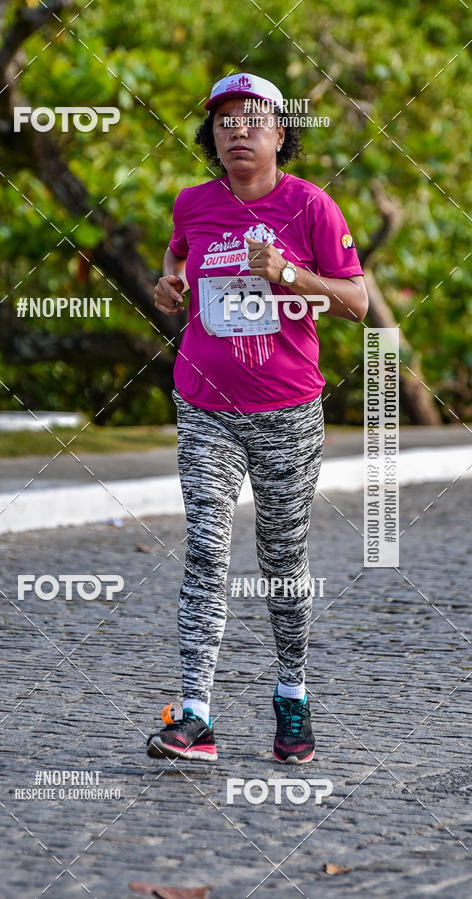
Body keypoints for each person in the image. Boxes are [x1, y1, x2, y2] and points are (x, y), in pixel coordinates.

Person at [146, 73, 368, 764]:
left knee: (282, 561)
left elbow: (358, 301)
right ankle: (195, 715)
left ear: (280, 133)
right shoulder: (193, 204)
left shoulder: (312, 207)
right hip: (205, 405)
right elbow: (178, 252)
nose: (236, 130)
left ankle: (292, 695)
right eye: (223, 121)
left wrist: (291, 276)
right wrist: (169, 279)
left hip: (288, 411)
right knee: (208, 548)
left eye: (252, 119)